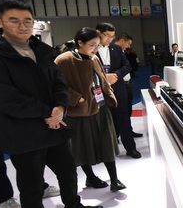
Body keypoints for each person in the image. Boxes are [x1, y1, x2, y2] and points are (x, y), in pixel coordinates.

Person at [0, 0, 103, 208]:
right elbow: (4, 99)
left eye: (28, 21)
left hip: (54, 126)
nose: (23, 26)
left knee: (68, 171)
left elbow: (58, 81)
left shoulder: (40, 49)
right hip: (23, 131)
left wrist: (60, 107)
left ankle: (73, 207)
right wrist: (49, 113)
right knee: (31, 187)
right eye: (14, 21)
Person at [55, 27, 126, 192]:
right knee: (82, 147)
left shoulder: (93, 58)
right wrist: (76, 98)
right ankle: (91, 178)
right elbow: (57, 86)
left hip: (101, 108)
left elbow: (100, 79)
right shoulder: (64, 60)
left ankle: (114, 180)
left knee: (107, 144)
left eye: (98, 46)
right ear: (80, 43)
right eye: (93, 45)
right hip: (80, 111)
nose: (96, 49)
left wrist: (108, 94)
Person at [95, 23, 141, 159]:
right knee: (102, 120)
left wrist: (116, 75)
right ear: (98, 32)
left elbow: (127, 65)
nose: (109, 39)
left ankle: (130, 148)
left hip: (118, 88)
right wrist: (104, 77)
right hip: (99, 90)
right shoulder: (91, 48)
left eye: (112, 36)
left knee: (123, 118)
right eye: (107, 35)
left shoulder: (116, 49)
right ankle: (106, 150)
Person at [113, 33, 142, 138]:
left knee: (128, 110)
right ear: (122, 41)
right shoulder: (112, 51)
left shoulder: (122, 52)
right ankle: (117, 134)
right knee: (120, 112)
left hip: (127, 84)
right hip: (119, 85)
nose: (129, 46)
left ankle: (128, 131)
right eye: (128, 43)